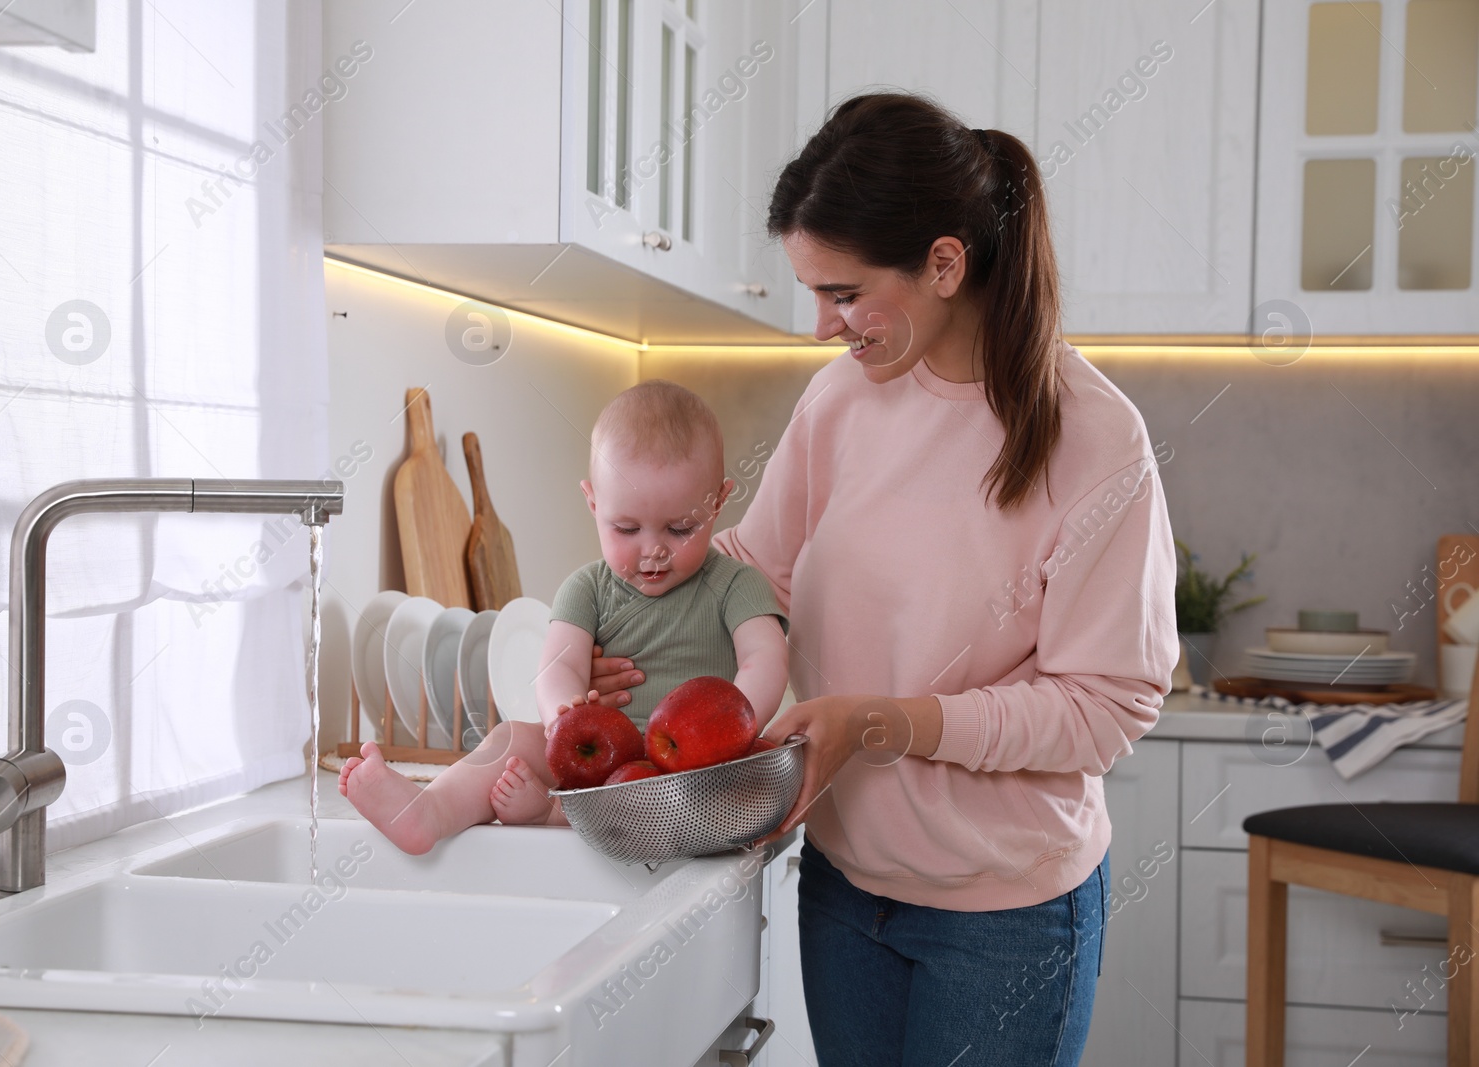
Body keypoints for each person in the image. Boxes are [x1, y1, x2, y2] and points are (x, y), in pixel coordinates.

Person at [582, 93, 1177, 1066]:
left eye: (845, 292)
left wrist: (885, 721)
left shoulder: (1095, 438)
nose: (821, 323)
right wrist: (620, 603)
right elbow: (753, 566)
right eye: (812, 290)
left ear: (944, 263)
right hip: (847, 883)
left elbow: (1104, 706)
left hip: (1006, 912)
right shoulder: (842, 398)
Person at [339, 379, 790, 854]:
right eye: (627, 528)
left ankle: (551, 813)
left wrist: (725, 739)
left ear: (718, 502)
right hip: (601, 760)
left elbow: (766, 661)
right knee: (511, 737)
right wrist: (564, 715)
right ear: (593, 502)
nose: (653, 549)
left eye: (681, 528)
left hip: (697, 770)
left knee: (745, 781)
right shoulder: (587, 589)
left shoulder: (738, 585)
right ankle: (429, 813)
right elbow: (559, 665)